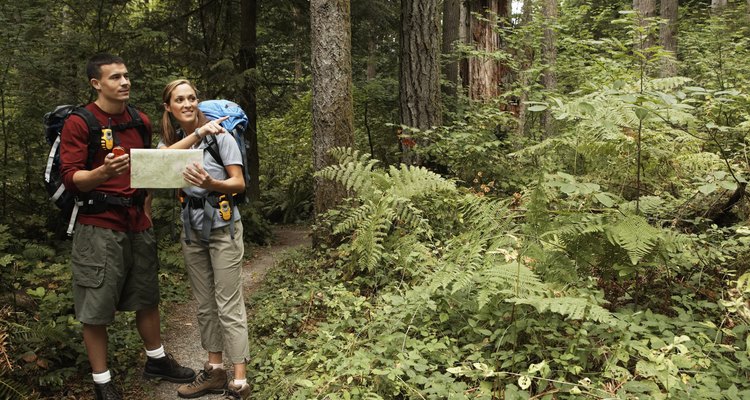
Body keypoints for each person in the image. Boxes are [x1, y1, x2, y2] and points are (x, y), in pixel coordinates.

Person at [60, 54, 196, 400]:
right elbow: (72, 179)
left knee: (146, 295)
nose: (125, 82)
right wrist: (102, 173)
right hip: (98, 226)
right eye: (115, 77)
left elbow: (147, 170)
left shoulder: (140, 120)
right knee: (97, 306)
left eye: (126, 75)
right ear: (96, 84)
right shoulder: (81, 122)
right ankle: (102, 382)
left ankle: (157, 360)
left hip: (137, 223)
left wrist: (146, 207)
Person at [159, 78, 251, 399]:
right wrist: (197, 134)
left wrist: (212, 182)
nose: (187, 104)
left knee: (228, 302)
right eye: (179, 100)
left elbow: (238, 183)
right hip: (191, 228)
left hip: (223, 223)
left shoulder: (221, 136)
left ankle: (239, 379)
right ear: (168, 108)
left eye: (192, 98)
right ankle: (214, 371)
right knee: (204, 304)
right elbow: (159, 162)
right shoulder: (170, 143)